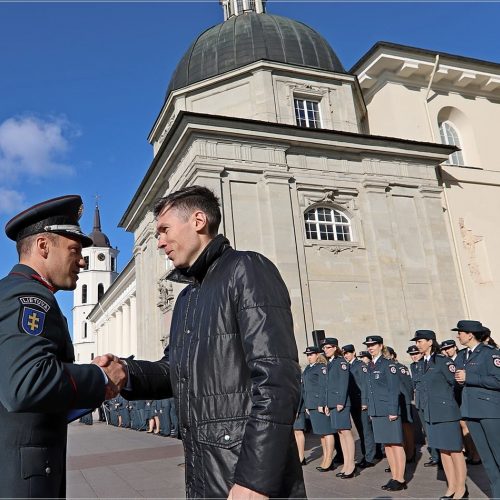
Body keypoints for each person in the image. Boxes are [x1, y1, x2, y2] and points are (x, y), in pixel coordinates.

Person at [98, 186, 305, 499]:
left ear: (198, 220)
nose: (159, 242)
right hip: (205, 466)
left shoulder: (246, 269)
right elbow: (174, 370)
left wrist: (256, 478)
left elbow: (277, 379)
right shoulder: (188, 297)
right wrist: (126, 372)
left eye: (164, 230)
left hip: (244, 472)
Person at [0, 195, 126, 498]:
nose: (82, 260)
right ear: (44, 246)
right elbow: (26, 383)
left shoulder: (12, 291)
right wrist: (99, 377)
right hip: (23, 481)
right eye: (74, 249)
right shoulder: (29, 298)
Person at [412, 330, 467, 500]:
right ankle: (451, 487)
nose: (417, 344)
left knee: (455, 450)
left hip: (446, 412)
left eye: (420, 341)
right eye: (417, 342)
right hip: (431, 412)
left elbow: (457, 383)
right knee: (444, 451)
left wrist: (452, 404)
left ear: (430, 341)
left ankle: (461, 489)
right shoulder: (422, 363)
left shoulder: (443, 361)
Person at [454, 320, 500, 499]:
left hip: (490, 411)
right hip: (471, 411)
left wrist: (469, 377)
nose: (458, 335)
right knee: (488, 461)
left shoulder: (490, 354)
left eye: (460, 332)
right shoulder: (462, 355)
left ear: (470, 334)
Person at [363, 335, 407, 491]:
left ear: (381, 346)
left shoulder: (388, 365)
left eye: (373, 344)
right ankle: (394, 476)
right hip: (377, 410)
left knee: (395, 443)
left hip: (389, 410)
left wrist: (393, 410)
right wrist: (370, 409)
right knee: (387, 444)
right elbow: (370, 390)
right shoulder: (369, 366)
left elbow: (394, 389)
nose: (370, 347)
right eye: (368, 345)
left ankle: (400, 478)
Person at [321, 337, 357, 478]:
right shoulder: (331, 363)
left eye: (328, 347)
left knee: (346, 433)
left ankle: (351, 465)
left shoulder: (341, 362)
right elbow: (328, 386)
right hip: (333, 403)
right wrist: (327, 404)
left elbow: (343, 383)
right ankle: (346, 464)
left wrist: (341, 401)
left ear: (335, 348)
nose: (325, 350)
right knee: (341, 434)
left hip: (340, 402)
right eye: (324, 348)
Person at [441, 339, 481, 467]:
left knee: (466, 426)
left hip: (463, 396)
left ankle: (476, 454)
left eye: (450, 347)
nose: (447, 350)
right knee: (461, 426)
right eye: (445, 349)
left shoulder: (461, 358)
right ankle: (469, 452)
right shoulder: (446, 361)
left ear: (455, 347)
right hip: (453, 397)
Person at [342, 344, 376, 469]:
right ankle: (365, 454)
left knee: (366, 430)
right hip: (353, 402)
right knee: (360, 430)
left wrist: (365, 402)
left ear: (354, 353)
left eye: (349, 352)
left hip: (361, 402)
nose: (346, 355)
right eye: (344, 353)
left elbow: (365, 386)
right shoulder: (347, 366)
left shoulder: (360, 366)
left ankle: (369, 457)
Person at [301, 346, 333, 471]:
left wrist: (322, 403)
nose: (309, 357)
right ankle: (325, 457)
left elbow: (323, 386)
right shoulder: (308, 368)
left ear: (317, 355)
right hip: (311, 404)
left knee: (327, 432)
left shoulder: (321, 367)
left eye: (312, 354)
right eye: (307, 355)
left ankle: (329, 458)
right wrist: (307, 405)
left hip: (319, 404)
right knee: (321, 433)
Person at [386, 347, 415, 463]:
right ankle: (399, 456)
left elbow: (407, 385)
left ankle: (410, 452)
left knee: (406, 427)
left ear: (393, 355)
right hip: (392, 402)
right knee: (396, 431)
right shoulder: (385, 367)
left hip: (403, 400)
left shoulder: (400, 368)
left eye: (387, 355)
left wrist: (408, 400)